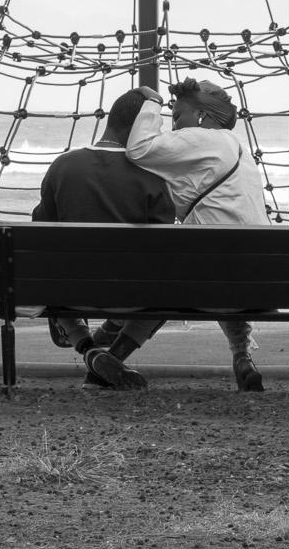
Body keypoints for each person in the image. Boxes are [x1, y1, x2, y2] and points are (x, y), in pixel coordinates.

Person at [108, 75, 268, 392]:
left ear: (201, 117)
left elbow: (138, 149)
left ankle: (106, 356)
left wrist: (152, 101)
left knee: (167, 283)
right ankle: (242, 356)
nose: (175, 126)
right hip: (256, 281)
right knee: (219, 272)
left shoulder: (201, 138)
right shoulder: (238, 148)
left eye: (178, 115)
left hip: (211, 279)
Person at [30, 88, 173, 389]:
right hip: (132, 296)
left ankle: (89, 349)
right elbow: (164, 248)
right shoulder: (152, 176)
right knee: (171, 291)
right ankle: (113, 357)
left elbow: (41, 229)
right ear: (142, 126)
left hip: (69, 294)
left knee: (51, 274)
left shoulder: (63, 165)